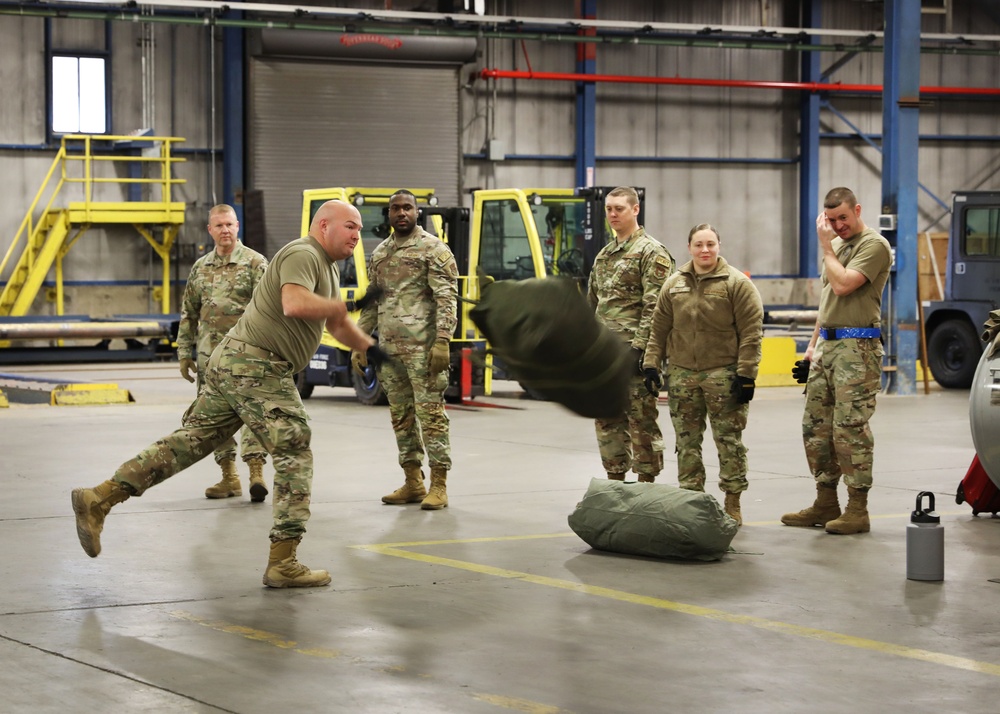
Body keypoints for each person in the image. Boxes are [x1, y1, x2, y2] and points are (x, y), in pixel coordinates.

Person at [71, 200, 389, 588]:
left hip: (235, 361)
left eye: (359, 229)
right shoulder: (303, 252)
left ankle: (99, 498)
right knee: (294, 447)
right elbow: (294, 303)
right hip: (258, 363)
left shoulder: (324, 266)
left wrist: (369, 348)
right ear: (324, 225)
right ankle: (283, 562)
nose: (358, 236)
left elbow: (335, 323)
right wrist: (346, 304)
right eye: (351, 227)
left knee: (191, 441)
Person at [782, 187, 892, 535]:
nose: (837, 225)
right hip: (829, 348)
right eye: (830, 220)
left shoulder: (873, 246)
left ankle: (857, 509)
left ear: (857, 210)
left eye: (843, 217)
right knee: (816, 429)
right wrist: (811, 347)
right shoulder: (838, 247)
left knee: (850, 429)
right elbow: (828, 303)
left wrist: (827, 246)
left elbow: (844, 285)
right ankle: (825, 501)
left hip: (857, 350)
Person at [642, 224, 763, 525]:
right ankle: (691, 499)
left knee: (729, 442)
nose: (705, 250)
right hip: (683, 376)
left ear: (719, 245)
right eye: (699, 244)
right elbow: (659, 329)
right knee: (686, 443)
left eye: (710, 244)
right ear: (689, 247)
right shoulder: (674, 285)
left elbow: (751, 333)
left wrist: (747, 374)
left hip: (724, 375)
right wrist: (651, 363)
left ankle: (732, 503)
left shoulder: (736, 284)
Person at [355, 189, 459, 510]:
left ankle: (439, 485)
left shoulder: (434, 249)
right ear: (388, 214)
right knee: (401, 416)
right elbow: (373, 301)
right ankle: (413, 481)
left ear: (418, 212)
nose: (401, 213)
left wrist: (443, 340)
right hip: (389, 352)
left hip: (424, 350)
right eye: (395, 208)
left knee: (431, 417)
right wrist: (360, 340)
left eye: (407, 208)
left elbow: (446, 297)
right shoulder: (381, 253)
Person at [176, 204, 270, 502]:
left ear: (238, 226)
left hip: (248, 357)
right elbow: (188, 313)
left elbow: (269, 311)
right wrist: (183, 351)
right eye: (219, 226)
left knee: (253, 413)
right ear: (210, 230)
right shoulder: (200, 268)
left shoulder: (256, 264)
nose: (225, 230)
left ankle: (256, 473)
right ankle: (229, 477)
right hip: (209, 360)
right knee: (213, 420)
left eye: (229, 224)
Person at [586, 186, 674, 483]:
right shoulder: (604, 255)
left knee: (641, 422)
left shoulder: (652, 252)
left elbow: (657, 307)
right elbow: (593, 304)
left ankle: (646, 486)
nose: (612, 214)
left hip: (634, 355)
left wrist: (642, 351)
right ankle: (615, 482)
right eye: (609, 209)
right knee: (608, 421)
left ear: (635, 210)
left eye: (619, 209)